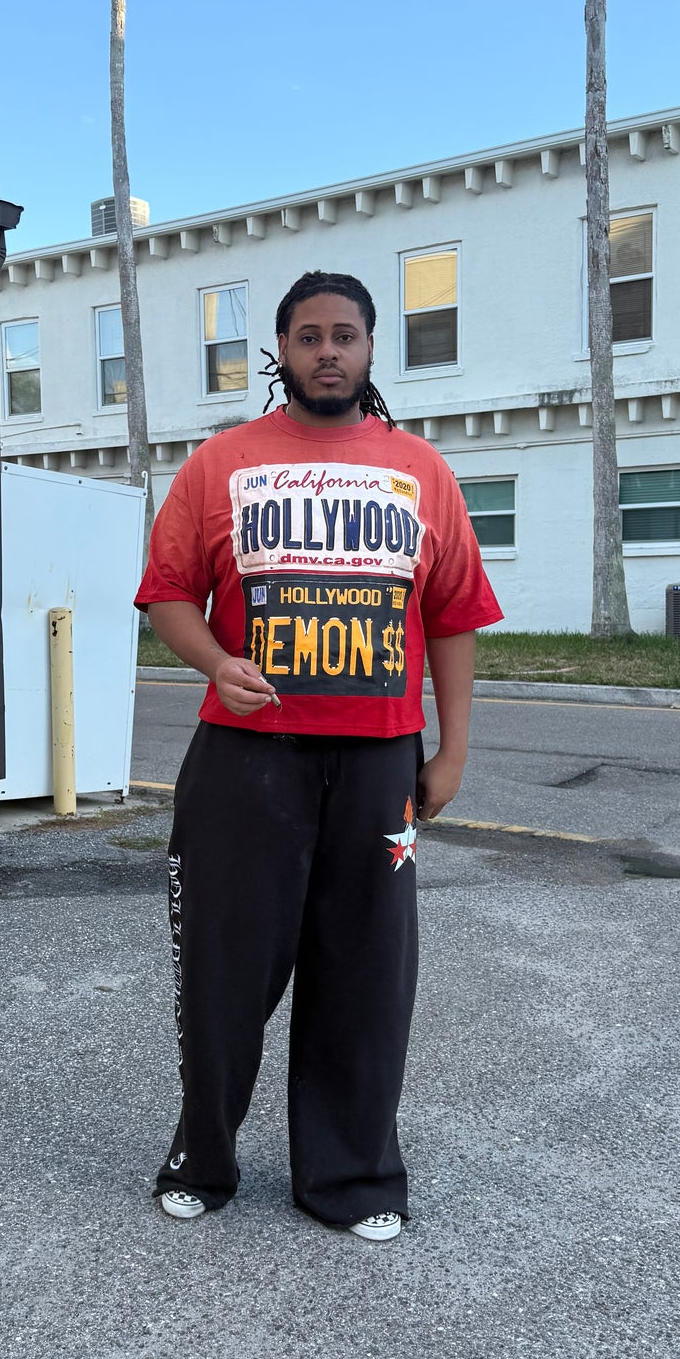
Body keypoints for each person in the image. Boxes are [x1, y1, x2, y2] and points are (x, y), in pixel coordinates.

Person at [135, 270, 503, 1241]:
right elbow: (167, 593)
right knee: (223, 968)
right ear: (282, 351)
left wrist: (451, 749)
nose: (327, 351)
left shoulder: (419, 471)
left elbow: (453, 615)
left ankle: (351, 1176)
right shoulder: (220, 464)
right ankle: (201, 1155)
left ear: (370, 348)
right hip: (244, 761)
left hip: (379, 764)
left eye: (344, 334)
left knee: (364, 974)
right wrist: (216, 662)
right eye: (308, 336)